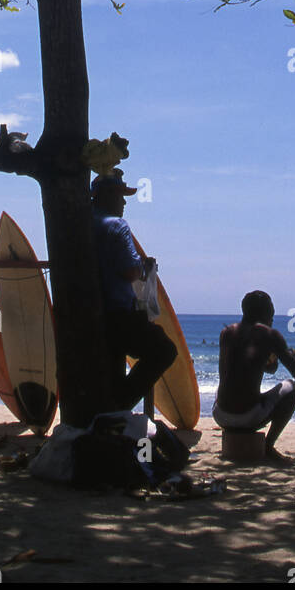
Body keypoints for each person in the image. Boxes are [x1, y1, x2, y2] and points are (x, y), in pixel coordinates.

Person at [91, 171, 177, 411]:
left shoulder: (80, 223)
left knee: (113, 367)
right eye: (121, 196)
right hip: (118, 315)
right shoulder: (116, 225)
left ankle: (114, 402)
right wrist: (145, 267)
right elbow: (130, 271)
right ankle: (120, 404)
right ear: (108, 195)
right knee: (165, 350)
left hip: (85, 316)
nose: (125, 202)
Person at [213, 290, 295, 464]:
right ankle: (268, 446)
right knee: (293, 387)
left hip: (220, 415)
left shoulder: (227, 333)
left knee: (226, 381)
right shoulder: (270, 335)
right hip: (248, 418)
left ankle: (262, 443)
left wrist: (269, 360)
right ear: (266, 314)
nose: (272, 319)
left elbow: (260, 368)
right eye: (272, 314)